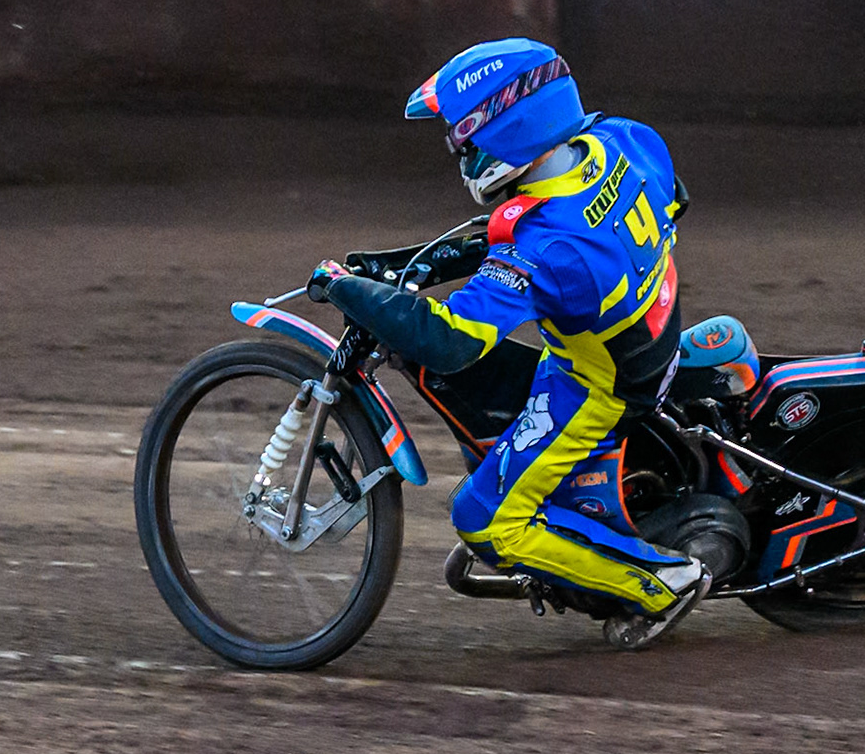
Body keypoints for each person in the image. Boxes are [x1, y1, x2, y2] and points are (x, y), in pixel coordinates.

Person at [306, 38, 729, 649]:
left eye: (465, 141)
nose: (461, 156)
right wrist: (407, 265)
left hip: (596, 387)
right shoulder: (623, 139)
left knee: (482, 519)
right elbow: (669, 198)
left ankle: (661, 584)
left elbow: (450, 340)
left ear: (507, 130)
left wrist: (345, 288)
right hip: (653, 332)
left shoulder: (544, 249)